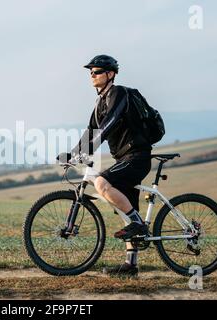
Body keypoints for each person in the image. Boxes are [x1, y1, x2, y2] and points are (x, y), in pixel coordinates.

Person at [57, 54, 152, 276]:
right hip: (124, 158)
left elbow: (109, 124)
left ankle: (138, 223)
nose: (92, 75)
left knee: (101, 182)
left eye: (97, 71)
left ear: (110, 74)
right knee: (125, 210)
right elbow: (91, 130)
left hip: (136, 156)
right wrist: (72, 154)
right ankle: (131, 266)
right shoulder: (100, 102)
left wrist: (90, 148)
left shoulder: (118, 94)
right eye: (90, 72)